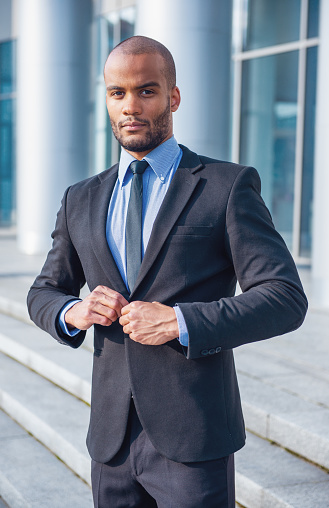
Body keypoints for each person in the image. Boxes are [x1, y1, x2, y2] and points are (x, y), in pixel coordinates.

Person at [27, 36, 308, 508]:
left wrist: (180, 321)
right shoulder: (81, 198)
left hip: (194, 437)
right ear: (107, 99)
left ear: (173, 97)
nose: (130, 106)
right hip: (110, 442)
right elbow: (44, 291)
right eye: (118, 93)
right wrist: (74, 310)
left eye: (147, 91)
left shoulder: (227, 186)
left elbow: (284, 297)